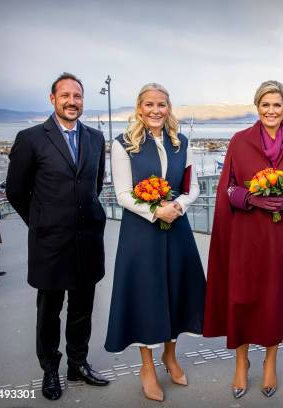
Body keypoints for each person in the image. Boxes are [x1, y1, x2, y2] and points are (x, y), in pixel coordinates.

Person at [204, 80, 283, 399]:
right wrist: (249, 198)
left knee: (274, 298)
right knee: (242, 298)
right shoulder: (239, 142)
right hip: (246, 237)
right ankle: (241, 363)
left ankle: (270, 362)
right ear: (257, 107)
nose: (271, 110)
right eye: (265, 105)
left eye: (276, 105)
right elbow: (228, 186)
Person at [6, 72, 108, 401]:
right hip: (49, 243)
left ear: (83, 100)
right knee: (49, 310)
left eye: (77, 96)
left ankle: (77, 364)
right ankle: (50, 369)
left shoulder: (95, 139)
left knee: (82, 308)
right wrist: (41, 223)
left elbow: (93, 185)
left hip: (87, 240)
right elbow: (16, 191)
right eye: (65, 96)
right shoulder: (31, 138)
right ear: (53, 99)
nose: (72, 101)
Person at [104, 83, 206, 402]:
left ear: (168, 107)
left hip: (177, 227)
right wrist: (154, 210)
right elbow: (122, 194)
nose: (155, 110)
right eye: (149, 104)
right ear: (139, 108)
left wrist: (178, 207)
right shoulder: (123, 145)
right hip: (141, 232)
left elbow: (193, 188)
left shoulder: (182, 142)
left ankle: (170, 355)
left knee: (176, 291)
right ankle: (147, 366)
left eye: (161, 105)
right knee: (146, 295)